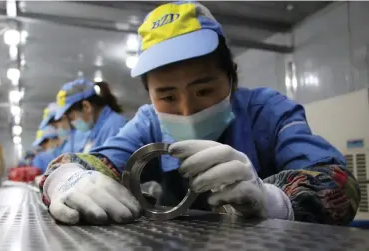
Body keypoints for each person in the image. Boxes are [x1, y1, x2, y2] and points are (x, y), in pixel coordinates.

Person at [39, 2, 360, 226]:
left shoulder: (268, 112)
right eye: (167, 96)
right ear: (149, 95)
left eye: (204, 90)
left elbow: (338, 183)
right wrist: (67, 179)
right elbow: (87, 163)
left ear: (232, 77)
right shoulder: (147, 125)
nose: (187, 110)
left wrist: (275, 201)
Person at [53, 78, 128, 153]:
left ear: (86, 107)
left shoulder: (114, 128)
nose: (72, 122)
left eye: (72, 118)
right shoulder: (95, 130)